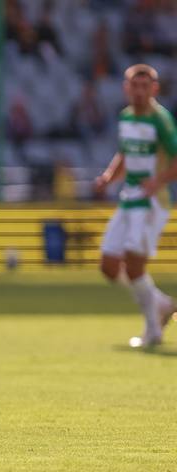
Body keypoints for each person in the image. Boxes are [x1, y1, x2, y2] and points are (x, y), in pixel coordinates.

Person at [94, 64, 177, 348]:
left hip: (152, 202)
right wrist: (109, 177)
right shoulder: (126, 117)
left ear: (155, 89)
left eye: (145, 86)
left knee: (133, 266)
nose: (139, 91)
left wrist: (158, 181)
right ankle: (161, 303)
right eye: (134, 86)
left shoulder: (161, 120)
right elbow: (125, 154)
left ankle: (153, 331)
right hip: (129, 197)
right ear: (126, 88)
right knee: (108, 266)